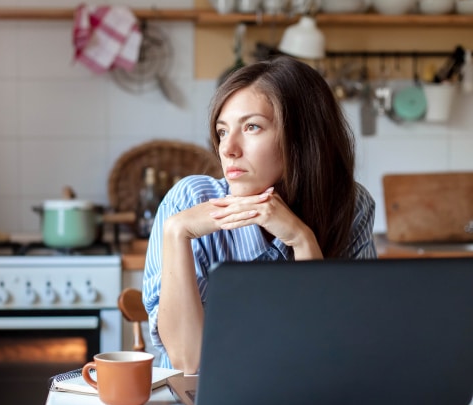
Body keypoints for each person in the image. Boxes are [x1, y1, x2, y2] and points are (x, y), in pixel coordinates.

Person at [142, 56, 377, 374]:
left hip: (301, 402)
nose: (228, 149)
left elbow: (336, 345)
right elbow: (189, 360)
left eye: (252, 127)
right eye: (223, 131)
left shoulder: (350, 204)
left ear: (303, 138)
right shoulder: (189, 200)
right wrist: (176, 231)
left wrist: (302, 239)